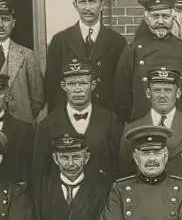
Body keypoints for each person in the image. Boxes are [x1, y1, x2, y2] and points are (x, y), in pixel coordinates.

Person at [113, 0, 182, 122]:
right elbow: (122, 94)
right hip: (144, 124)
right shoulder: (133, 51)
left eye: (165, 16)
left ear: (173, 17)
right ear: (146, 18)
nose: (160, 21)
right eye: (155, 16)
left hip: (181, 125)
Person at [118, 67, 182, 186]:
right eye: (157, 90)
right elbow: (125, 174)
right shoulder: (132, 130)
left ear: (178, 93)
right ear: (148, 93)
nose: (162, 95)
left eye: (168, 90)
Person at [35, 57, 121, 185]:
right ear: (63, 86)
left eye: (83, 83)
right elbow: (40, 172)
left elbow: (118, 166)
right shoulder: (48, 125)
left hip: (102, 195)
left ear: (93, 85)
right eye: (71, 84)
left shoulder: (110, 121)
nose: (77, 89)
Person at [44, 0, 127, 109]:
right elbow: (52, 86)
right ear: (75, 5)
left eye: (92, 2)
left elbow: (122, 86)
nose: (87, 8)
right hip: (70, 114)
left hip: (106, 116)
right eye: (82, 2)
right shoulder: (60, 40)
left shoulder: (117, 41)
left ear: (102, 5)